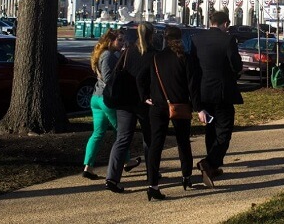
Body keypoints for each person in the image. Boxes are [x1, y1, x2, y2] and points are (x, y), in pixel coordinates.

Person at [137, 26, 199, 201]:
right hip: (180, 105)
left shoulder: (155, 58)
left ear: (164, 39)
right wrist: (196, 105)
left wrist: (144, 97)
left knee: (156, 144)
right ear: (180, 38)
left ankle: (152, 184)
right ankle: (186, 176)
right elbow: (192, 86)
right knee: (183, 142)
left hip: (157, 105)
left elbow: (140, 78)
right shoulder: (184, 58)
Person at [190, 11, 243, 188]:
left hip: (204, 92)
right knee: (224, 131)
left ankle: (211, 166)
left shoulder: (196, 39)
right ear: (225, 24)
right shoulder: (228, 40)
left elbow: (194, 69)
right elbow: (236, 64)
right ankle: (210, 162)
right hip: (223, 92)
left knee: (211, 130)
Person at [104, 23, 155, 193]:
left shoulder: (127, 52)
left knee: (123, 138)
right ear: (151, 35)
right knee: (149, 139)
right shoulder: (153, 54)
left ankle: (112, 177)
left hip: (124, 101)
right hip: (144, 102)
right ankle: (151, 173)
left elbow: (118, 71)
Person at [82, 29, 124, 184]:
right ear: (110, 41)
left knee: (98, 133)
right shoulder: (107, 55)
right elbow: (108, 78)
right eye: (120, 40)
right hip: (105, 99)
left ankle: (88, 167)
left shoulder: (104, 54)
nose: (122, 43)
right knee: (122, 132)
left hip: (97, 98)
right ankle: (126, 162)